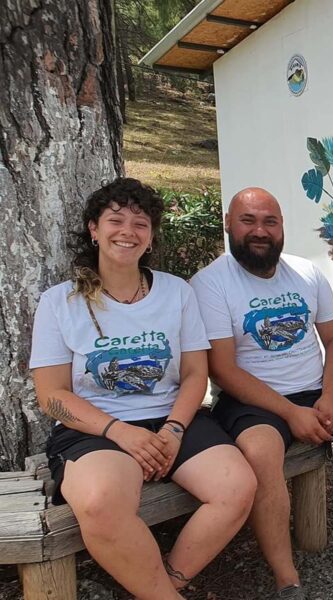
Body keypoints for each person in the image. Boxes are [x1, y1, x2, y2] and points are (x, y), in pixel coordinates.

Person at [29, 178, 257, 600]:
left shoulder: (177, 292)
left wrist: (173, 430)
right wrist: (119, 431)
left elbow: (195, 374)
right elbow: (52, 396)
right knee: (100, 503)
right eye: (115, 220)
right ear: (94, 229)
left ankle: (166, 583)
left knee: (236, 486)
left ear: (151, 237)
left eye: (141, 223)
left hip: (173, 416)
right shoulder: (60, 302)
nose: (128, 232)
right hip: (94, 428)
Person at [189, 187, 333, 599]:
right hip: (251, 401)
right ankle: (287, 579)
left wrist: (329, 396)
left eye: (270, 222)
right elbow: (221, 368)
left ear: (282, 227)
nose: (260, 231)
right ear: (228, 223)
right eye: (248, 221)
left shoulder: (305, 272)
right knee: (261, 453)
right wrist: (291, 413)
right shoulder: (210, 284)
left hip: (314, 389)